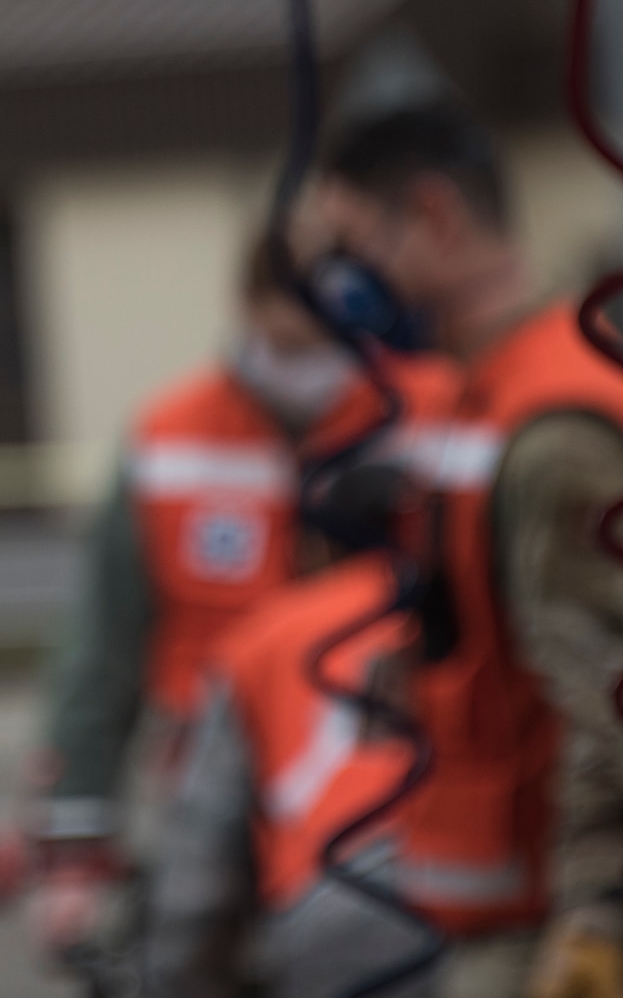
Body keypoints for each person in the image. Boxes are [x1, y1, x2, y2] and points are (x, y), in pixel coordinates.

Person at [312, 103, 623, 998]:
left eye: (355, 246)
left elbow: (614, 697)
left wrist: (594, 918)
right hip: (535, 912)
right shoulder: (475, 397)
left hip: (618, 930)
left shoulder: (557, 424)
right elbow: (500, 640)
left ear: (434, 217)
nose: (340, 285)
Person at [28, 244, 459, 966]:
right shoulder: (172, 436)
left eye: (332, 336)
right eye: (295, 332)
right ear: (252, 306)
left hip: (400, 784)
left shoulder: (432, 412)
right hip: (207, 787)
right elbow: (102, 650)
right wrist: (76, 840)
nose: (313, 357)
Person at [141, 457, 437, 998]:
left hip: (329, 910)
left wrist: (184, 979)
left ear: (314, 546)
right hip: (468, 896)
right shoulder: (462, 618)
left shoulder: (263, 640)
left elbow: (199, 868)